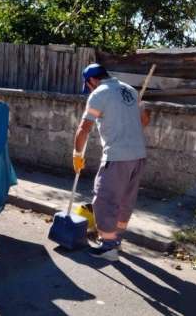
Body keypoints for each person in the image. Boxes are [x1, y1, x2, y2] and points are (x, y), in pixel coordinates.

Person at [73, 63, 150, 261]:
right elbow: (144, 121)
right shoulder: (131, 91)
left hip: (117, 157)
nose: (89, 88)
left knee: (104, 201)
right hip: (138, 156)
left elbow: (84, 128)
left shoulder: (100, 93)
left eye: (88, 85)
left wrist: (77, 153)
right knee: (125, 201)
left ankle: (108, 247)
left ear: (91, 80)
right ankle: (116, 240)